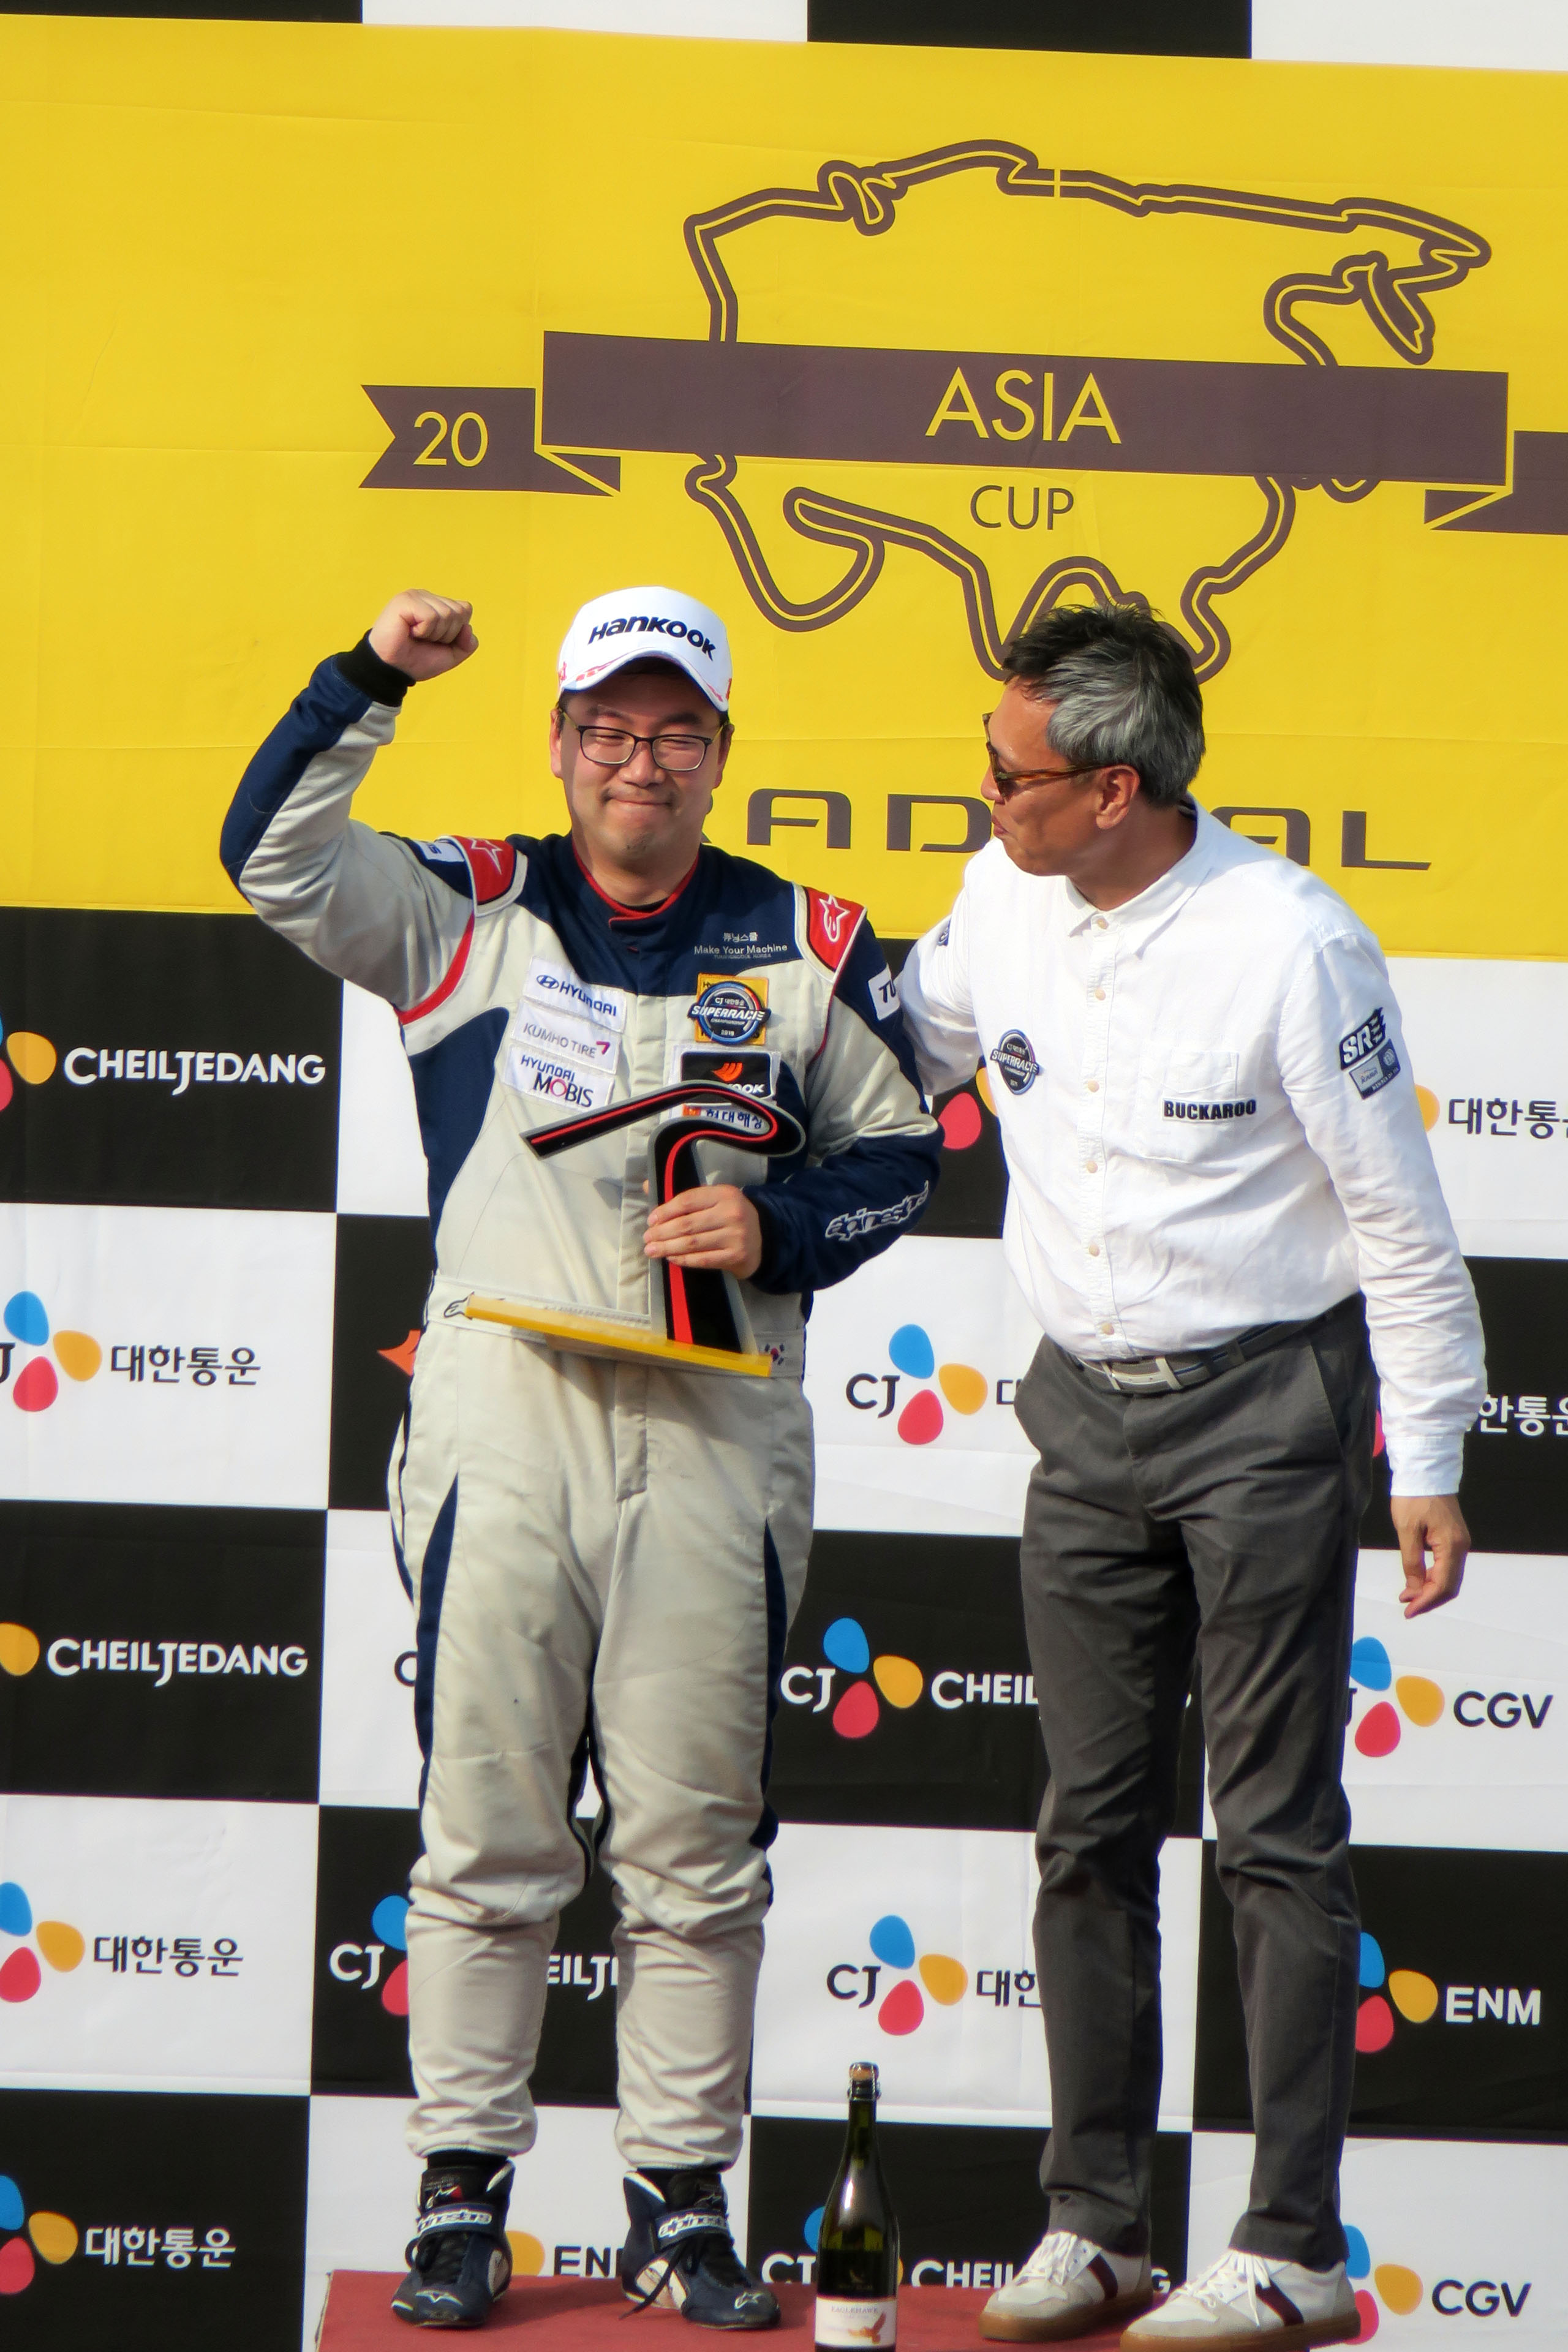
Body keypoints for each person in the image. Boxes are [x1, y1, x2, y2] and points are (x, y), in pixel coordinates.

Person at [222, 584, 940, 2332]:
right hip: (509, 1403)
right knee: (487, 1829)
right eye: (608, 728)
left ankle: (681, 2209)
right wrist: (369, 679)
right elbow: (272, 858)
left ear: (721, 752)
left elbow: (907, 1149)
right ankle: (461, 2198)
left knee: (695, 1843)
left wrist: (778, 1228)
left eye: (676, 731)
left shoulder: (809, 940)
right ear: (557, 744)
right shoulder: (468, 909)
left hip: (715, 1424)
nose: (640, 760)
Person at [897, 604, 1484, 2351]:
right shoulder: (1000, 894)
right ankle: (1096, 2230)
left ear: (1117, 790)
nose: (984, 797)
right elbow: (897, 1046)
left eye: (1009, 775)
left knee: (1275, 1834)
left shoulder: (1295, 944)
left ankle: (1292, 2245)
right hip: (1080, 1420)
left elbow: (1402, 1222)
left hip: (1267, 1419)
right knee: (1087, 1831)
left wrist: (1428, 1458)